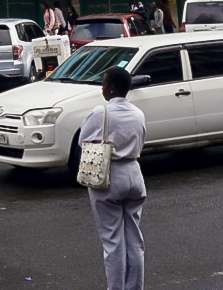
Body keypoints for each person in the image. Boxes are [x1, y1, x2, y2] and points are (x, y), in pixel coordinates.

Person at [79, 67, 147, 290]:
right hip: (134, 174)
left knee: (113, 242)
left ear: (111, 87)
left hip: (109, 175)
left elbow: (83, 141)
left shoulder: (101, 113)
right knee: (134, 240)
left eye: (104, 83)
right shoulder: (138, 113)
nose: (102, 88)